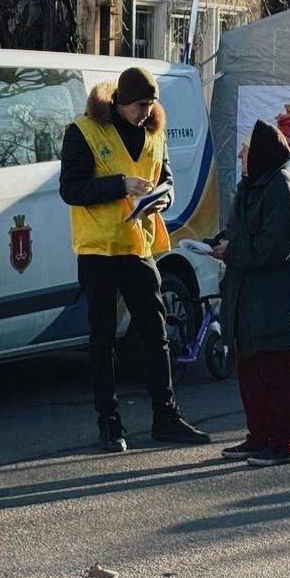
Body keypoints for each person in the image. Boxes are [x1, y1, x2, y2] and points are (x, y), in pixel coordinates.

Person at [59, 66, 211, 453]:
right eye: (140, 104)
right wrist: (120, 185)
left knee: (156, 334)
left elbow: (168, 178)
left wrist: (164, 197)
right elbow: (71, 189)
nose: (146, 111)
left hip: (138, 247)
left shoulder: (154, 132)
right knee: (103, 338)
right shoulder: (84, 131)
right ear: (121, 102)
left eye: (151, 104)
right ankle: (109, 423)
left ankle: (166, 415)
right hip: (99, 248)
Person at [213, 120, 290, 467]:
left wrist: (232, 251)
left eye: (244, 152)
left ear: (258, 154)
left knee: (277, 370)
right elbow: (240, 231)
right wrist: (218, 243)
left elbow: (274, 247)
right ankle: (259, 435)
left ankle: (283, 442)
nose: (241, 157)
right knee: (252, 371)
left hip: (276, 296)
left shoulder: (282, 187)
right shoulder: (254, 185)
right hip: (249, 294)